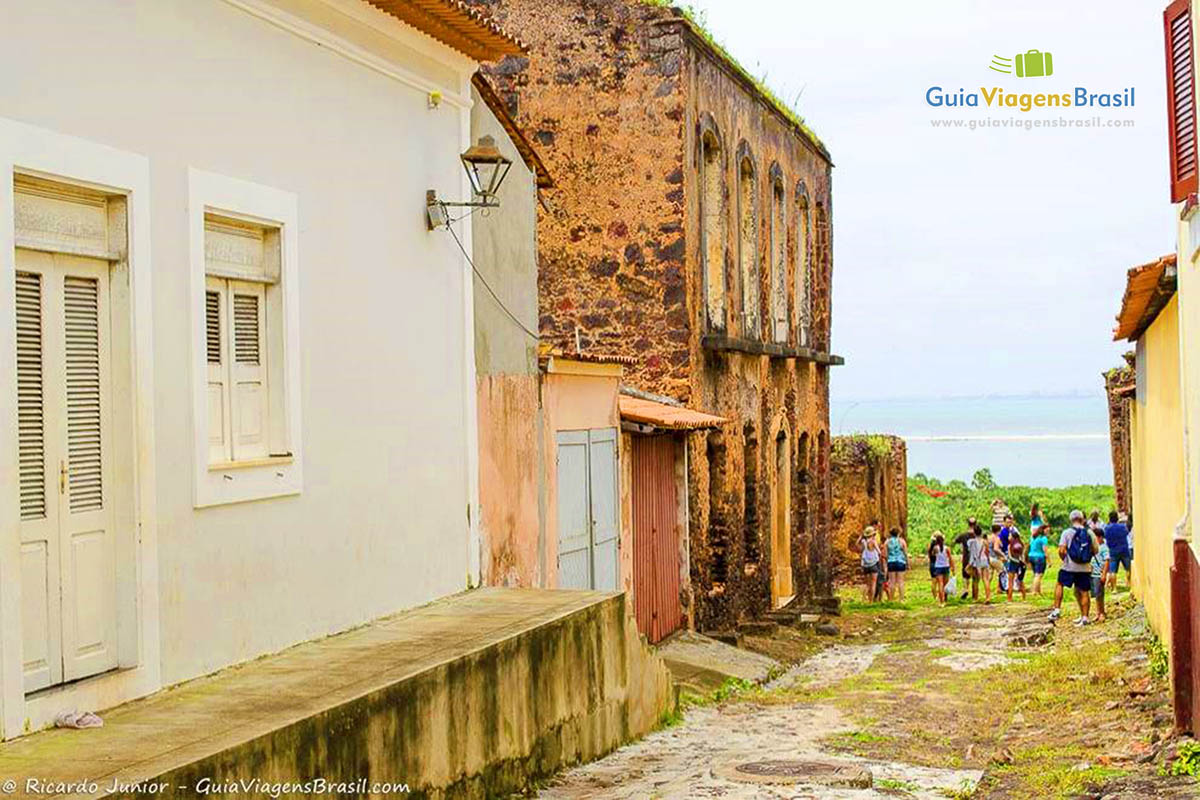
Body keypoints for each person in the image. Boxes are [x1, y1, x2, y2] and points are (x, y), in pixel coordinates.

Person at [1049, 510, 1098, 626]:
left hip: (1069, 567)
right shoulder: (1089, 533)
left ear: (1071, 520)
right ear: (1082, 519)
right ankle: (1085, 617)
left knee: (1060, 584)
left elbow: (1061, 550)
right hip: (1085, 568)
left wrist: (1064, 559)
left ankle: (1057, 610)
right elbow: (1096, 550)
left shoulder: (1067, 532)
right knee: (1084, 592)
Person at [1104, 510, 1132, 592]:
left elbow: (1105, 537)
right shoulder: (1122, 527)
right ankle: (1129, 584)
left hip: (1113, 551)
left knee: (1113, 570)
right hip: (1124, 549)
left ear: (1109, 518)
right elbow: (1127, 533)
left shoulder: (1107, 528)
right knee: (1128, 568)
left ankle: (1114, 588)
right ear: (1117, 518)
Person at [968, 523, 992, 603]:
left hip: (978, 562)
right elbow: (988, 552)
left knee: (976, 580)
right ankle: (988, 597)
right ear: (981, 532)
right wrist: (988, 560)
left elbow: (973, 554)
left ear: (974, 533)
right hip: (985, 560)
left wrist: (970, 564)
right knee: (986, 579)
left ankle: (976, 598)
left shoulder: (973, 542)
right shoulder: (985, 541)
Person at [953, 518, 977, 600]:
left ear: (968, 524)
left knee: (965, 575)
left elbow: (955, 541)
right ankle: (975, 595)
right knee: (975, 576)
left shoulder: (963, 535)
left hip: (966, 557)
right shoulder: (978, 535)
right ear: (976, 524)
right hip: (976, 558)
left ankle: (965, 589)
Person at [930, 532, 953, 607]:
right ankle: (945, 599)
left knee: (940, 584)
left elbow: (933, 554)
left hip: (938, 567)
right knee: (945, 584)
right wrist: (953, 567)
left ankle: (941, 601)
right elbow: (950, 558)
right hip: (946, 566)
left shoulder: (935, 548)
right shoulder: (947, 548)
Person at [1091, 533, 1110, 623]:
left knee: (1100, 595)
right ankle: (1098, 612)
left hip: (1099, 574)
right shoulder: (1095, 547)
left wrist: (1104, 574)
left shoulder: (1104, 548)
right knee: (1096, 595)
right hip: (1093, 574)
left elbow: (1107, 561)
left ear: (1100, 537)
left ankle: (1102, 613)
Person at [885, 527, 908, 601]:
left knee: (892, 582)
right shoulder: (902, 541)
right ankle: (901, 599)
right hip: (900, 561)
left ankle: (891, 599)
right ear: (898, 533)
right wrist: (907, 562)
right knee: (900, 581)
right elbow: (905, 553)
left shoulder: (887, 542)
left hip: (891, 562)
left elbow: (886, 554)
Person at [1028, 524, 1052, 596]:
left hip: (1031, 556)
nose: (1048, 532)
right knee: (1039, 575)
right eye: (1047, 530)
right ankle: (1034, 591)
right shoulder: (1043, 538)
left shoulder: (1033, 537)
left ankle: (1038, 590)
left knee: (1036, 574)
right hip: (1039, 557)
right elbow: (1045, 550)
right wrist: (1049, 561)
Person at [860, 526, 881, 603]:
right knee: (873, 583)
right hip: (873, 564)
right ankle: (871, 601)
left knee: (867, 584)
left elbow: (861, 550)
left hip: (865, 564)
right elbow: (879, 552)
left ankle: (863, 599)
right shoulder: (873, 542)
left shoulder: (863, 542)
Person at [1006, 530, 1028, 601]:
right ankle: (1024, 597)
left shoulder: (1010, 545)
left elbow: (1009, 556)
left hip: (1012, 563)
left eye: (1010, 536)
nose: (1009, 537)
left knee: (1010, 581)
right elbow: (1023, 556)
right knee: (1020, 580)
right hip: (1019, 563)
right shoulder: (1021, 545)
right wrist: (1021, 561)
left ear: (1012, 537)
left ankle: (1009, 598)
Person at [990, 524, 1008, 594]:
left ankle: (987, 589)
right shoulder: (996, 538)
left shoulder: (989, 538)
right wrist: (1003, 555)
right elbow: (996, 549)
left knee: (990, 575)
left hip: (989, 558)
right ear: (999, 531)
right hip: (995, 558)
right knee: (1002, 572)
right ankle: (1002, 588)